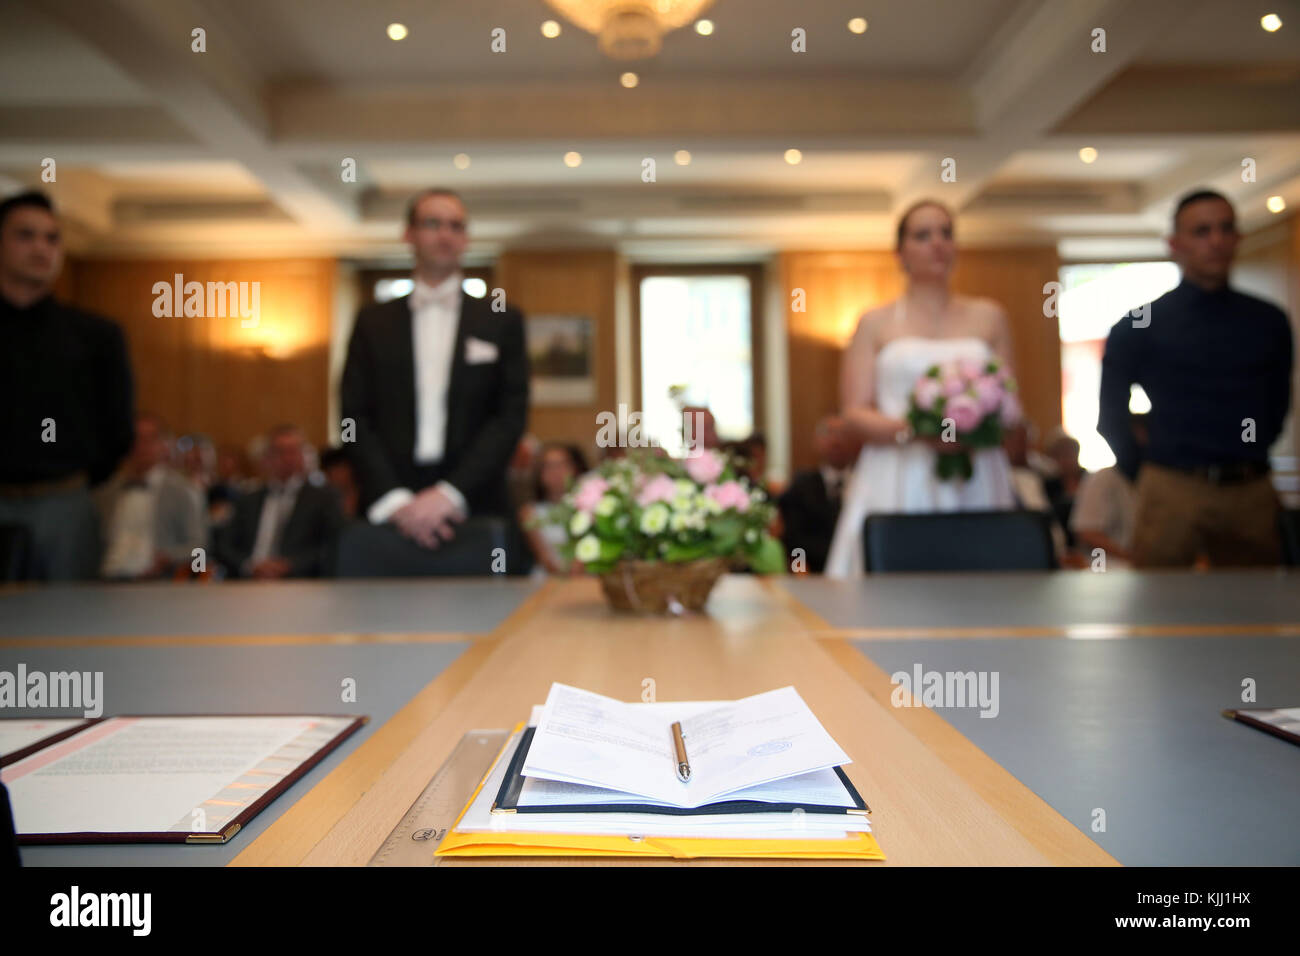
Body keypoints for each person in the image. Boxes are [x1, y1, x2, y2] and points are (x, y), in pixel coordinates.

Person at [1099, 189, 1293, 567]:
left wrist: (1250, 453)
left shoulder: (1268, 321)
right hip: (1171, 487)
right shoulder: (1141, 324)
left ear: (1238, 238)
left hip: (1251, 488)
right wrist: (1147, 472)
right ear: (1175, 243)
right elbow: (1111, 415)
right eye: (1201, 231)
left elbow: (1277, 403)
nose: (1216, 241)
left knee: (1259, 611)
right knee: (1160, 611)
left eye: (1225, 229)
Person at [825, 200, 1017, 577]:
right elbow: (853, 412)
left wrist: (980, 426)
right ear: (900, 253)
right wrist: (921, 431)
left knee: (982, 584)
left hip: (975, 470)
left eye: (947, 233)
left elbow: (1012, 404)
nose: (938, 244)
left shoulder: (990, 316)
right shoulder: (874, 322)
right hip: (898, 471)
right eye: (923, 235)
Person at [342, 188, 529, 550]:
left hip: (474, 504)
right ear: (408, 234)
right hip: (389, 507)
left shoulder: (501, 320)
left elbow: (510, 418)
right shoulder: (372, 321)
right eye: (433, 224)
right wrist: (396, 502)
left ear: (466, 238)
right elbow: (353, 418)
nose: (445, 234)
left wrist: (449, 494)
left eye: (456, 226)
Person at [0, 190, 134, 581]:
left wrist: (72, 480)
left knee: (69, 623)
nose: (41, 248)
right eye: (25, 235)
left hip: (65, 501)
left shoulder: (96, 335)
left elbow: (118, 427)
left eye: (52, 238)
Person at [215, 425, 344, 579]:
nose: (287, 458)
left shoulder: (324, 498)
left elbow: (331, 546)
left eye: (293, 451)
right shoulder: (248, 499)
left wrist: (289, 565)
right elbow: (225, 546)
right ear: (267, 457)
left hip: (299, 583)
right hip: (248, 582)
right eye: (280, 452)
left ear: (303, 456)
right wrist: (249, 565)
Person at [96, 413, 207, 580]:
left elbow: (199, 547)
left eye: (150, 439)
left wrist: (168, 557)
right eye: (136, 439)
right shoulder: (106, 491)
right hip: (105, 582)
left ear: (163, 445)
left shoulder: (182, 491)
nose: (141, 446)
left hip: (157, 585)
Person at [779, 416, 860, 573]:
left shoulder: (865, 484)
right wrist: (800, 570)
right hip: (814, 574)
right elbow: (794, 540)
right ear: (816, 442)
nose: (836, 441)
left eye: (843, 434)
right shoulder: (801, 487)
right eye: (829, 433)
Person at [1073, 414, 1147, 566]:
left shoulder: (1155, 479)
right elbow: (1087, 532)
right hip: (1106, 564)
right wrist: (1130, 557)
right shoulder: (1104, 478)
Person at [520, 443, 588, 575]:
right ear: (539, 473)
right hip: (548, 577)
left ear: (575, 469)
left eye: (562, 465)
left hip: (586, 577)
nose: (556, 472)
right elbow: (544, 558)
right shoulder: (529, 512)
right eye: (549, 467)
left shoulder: (589, 506)